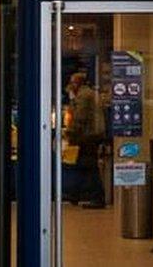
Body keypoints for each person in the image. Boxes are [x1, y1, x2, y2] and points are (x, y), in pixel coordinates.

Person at [64, 72, 106, 208]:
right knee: (83, 165)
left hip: (87, 136)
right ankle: (75, 194)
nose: (70, 85)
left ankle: (96, 197)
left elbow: (80, 118)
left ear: (78, 83)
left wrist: (70, 133)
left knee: (89, 166)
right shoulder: (89, 93)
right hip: (91, 135)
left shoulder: (83, 96)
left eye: (72, 82)